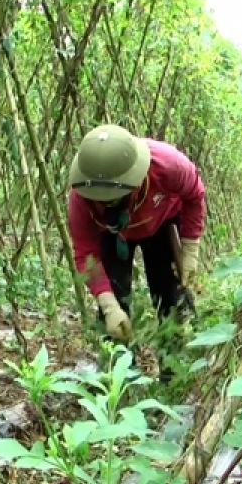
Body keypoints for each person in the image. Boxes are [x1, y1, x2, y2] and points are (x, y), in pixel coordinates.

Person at [66, 123, 206, 343]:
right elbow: (86, 253)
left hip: (163, 223)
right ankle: (120, 371)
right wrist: (108, 304)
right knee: (114, 304)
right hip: (113, 234)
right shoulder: (80, 200)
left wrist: (190, 250)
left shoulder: (168, 165)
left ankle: (174, 367)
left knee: (172, 298)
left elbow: (194, 195)